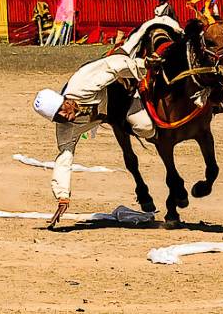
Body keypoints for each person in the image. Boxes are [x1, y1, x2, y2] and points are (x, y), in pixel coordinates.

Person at [33, 51, 157, 228]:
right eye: (58, 118)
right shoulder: (65, 128)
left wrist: (144, 64)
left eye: (62, 110)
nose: (65, 117)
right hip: (115, 113)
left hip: (122, 92)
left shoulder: (81, 85)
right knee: (145, 128)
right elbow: (64, 158)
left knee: (146, 125)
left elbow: (112, 65)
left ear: (65, 100)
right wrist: (62, 195)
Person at [116, 0, 182, 57]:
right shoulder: (157, 7)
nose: (160, 1)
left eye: (162, 0)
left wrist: (175, 23)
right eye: (160, 0)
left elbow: (173, 16)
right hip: (157, 19)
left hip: (167, 20)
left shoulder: (169, 7)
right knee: (143, 28)